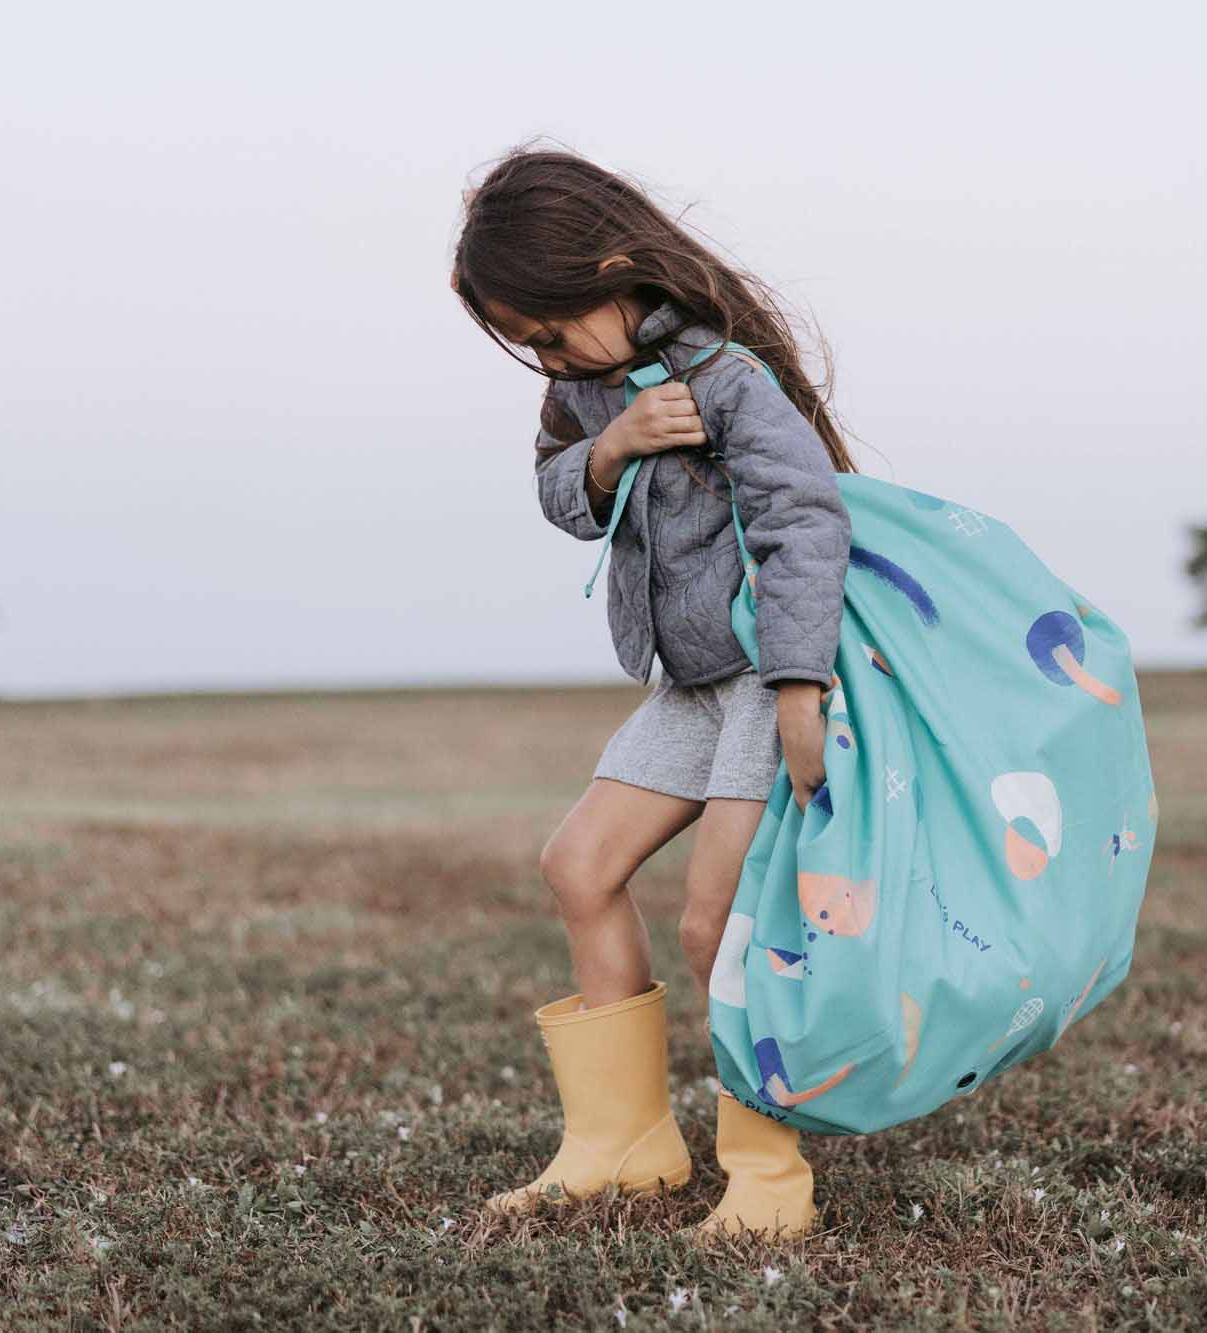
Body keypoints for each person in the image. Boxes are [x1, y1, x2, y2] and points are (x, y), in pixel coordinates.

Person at [450, 145, 855, 1240]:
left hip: (765, 678)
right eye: (530, 345)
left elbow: (805, 520)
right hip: (685, 684)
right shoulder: (581, 389)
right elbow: (558, 491)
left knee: (718, 919)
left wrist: (801, 688)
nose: (547, 358)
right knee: (578, 865)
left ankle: (767, 1177)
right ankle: (623, 1142)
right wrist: (610, 448)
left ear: (609, 273)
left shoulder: (728, 379)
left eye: (549, 331)